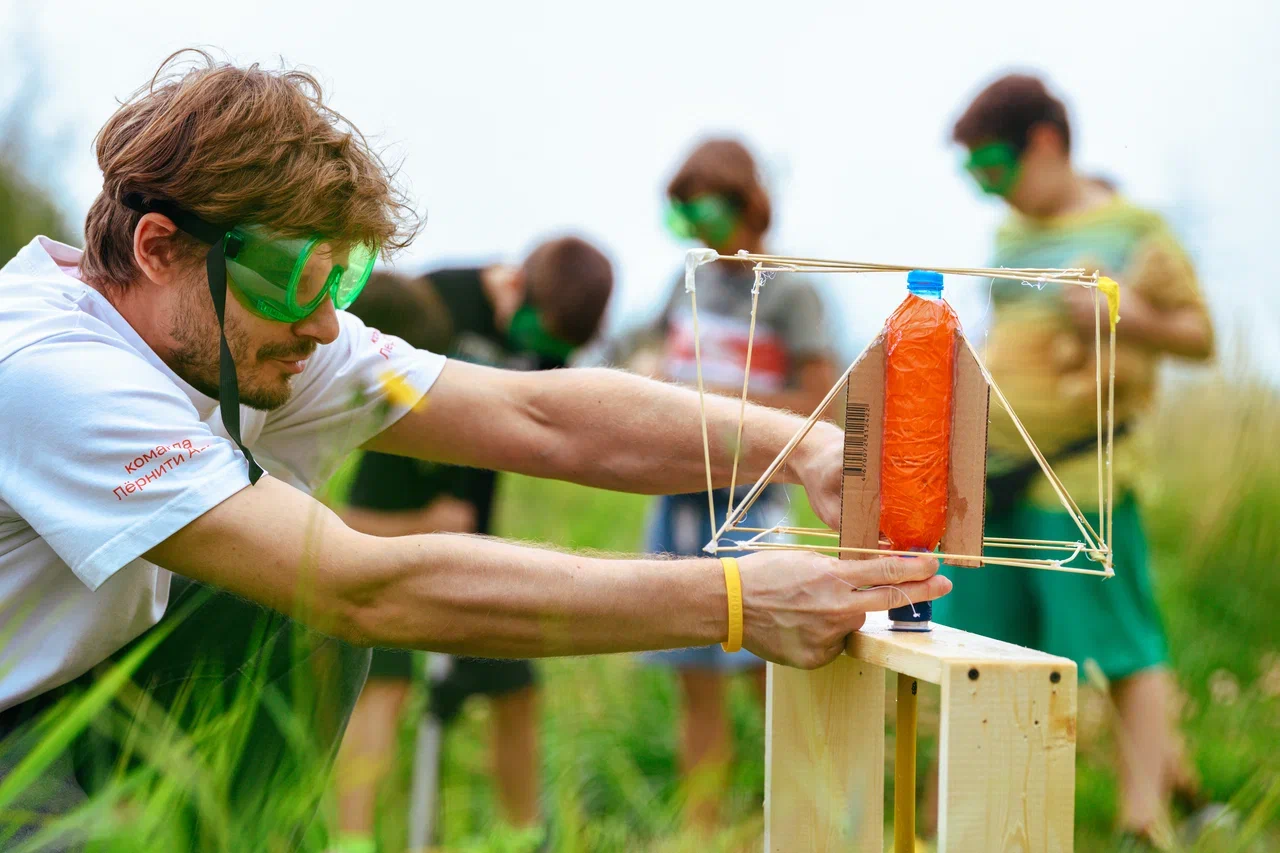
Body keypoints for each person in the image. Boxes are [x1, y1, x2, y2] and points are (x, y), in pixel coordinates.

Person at [0, 52, 952, 850]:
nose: (327, 326)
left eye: (346, 281)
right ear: (162, 246)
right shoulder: (50, 370)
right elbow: (362, 584)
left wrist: (807, 449)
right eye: (297, 283)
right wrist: (736, 599)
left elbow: (541, 417)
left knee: (276, 598)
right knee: (305, 581)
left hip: (96, 677)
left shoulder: (232, 326)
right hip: (20, 729)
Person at [935, 72, 1216, 850]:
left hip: (1082, 474)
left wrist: (1123, 308)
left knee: (1120, 646)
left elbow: (1199, 334)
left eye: (995, 167)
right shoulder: (1009, 237)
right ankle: (995, 815)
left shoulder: (1136, 229)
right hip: (991, 472)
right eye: (974, 175)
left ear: (1047, 142)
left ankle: (1144, 822)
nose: (989, 190)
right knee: (987, 643)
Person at [330, 239, 614, 853]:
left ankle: (521, 837)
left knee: (516, 687)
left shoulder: (543, 342)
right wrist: (426, 516)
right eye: (539, 329)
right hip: (391, 519)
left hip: (472, 538)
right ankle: (349, 842)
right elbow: (357, 477)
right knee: (383, 686)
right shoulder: (435, 302)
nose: (541, 349)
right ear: (516, 286)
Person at [613, 137, 839, 831]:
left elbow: (820, 397)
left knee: (765, 673)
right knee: (695, 676)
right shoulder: (688, 280)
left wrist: (715, 403)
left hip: (752, 499)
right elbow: (640, 350)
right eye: (680, 215)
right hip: (678, 494)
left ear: (745, 202)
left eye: (701, 209)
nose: (694, 228)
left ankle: (804, 823)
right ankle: (702, 831)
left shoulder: (792, 291)